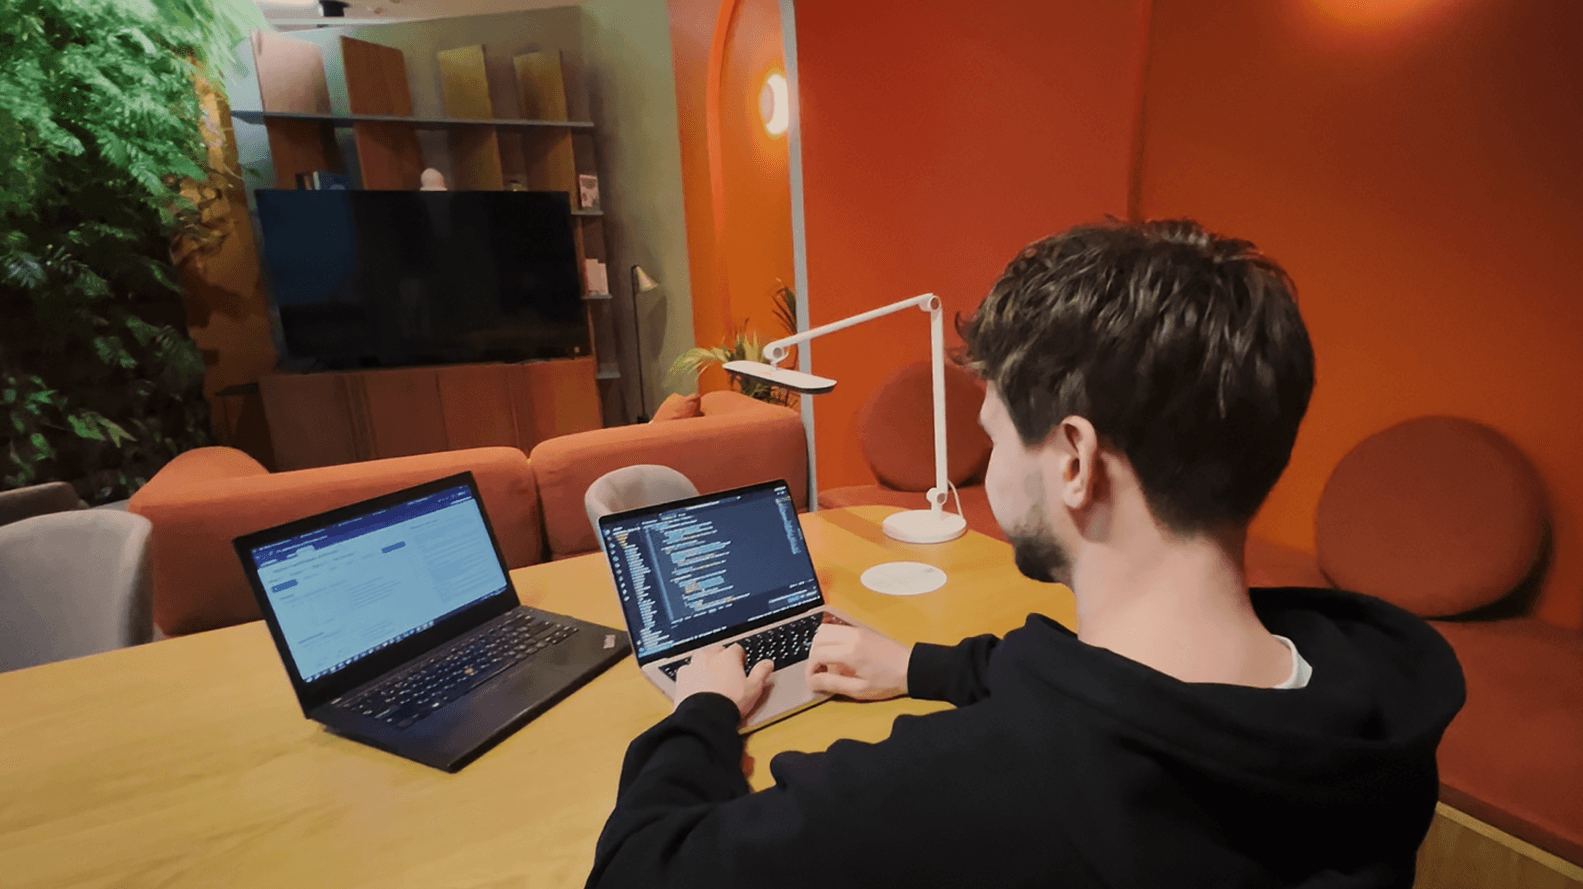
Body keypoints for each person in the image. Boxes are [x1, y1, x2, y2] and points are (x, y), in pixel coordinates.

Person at [585, 218, 1465, 888]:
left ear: (1075, 461)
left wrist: (697, 712)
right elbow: (1122, 691)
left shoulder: (973, 793)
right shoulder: (1363, 701)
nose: (991, 461)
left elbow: (639, 869)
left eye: (997, 433)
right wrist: (921, 665)